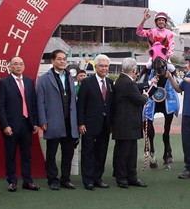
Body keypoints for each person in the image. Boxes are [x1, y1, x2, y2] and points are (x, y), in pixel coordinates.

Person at [36, 50, 79, 190]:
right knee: (51, 152)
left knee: (68, 152)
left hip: (69, 122)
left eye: (64, 59)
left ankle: (65, 179)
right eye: (59, 59)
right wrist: (42, 120)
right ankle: (52, 179)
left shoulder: (70, 77)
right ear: (52, 61)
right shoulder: (44, 79)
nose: (62, 61)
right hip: (52, 121)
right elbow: (40, 102)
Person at [0, 56, 40, 192]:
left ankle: (27, 181)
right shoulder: (4, 82)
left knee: (26, 155)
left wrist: (34, 122)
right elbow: (0, 106)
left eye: (21, 64)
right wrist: (5, 125)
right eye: (15, 64)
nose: (18, 66)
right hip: (11, 125)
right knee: (10, 155)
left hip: (27, 124)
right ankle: (12, 181)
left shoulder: (29, 81)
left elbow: (32, 103)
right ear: (10, 67)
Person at [77, 54, 113, 190]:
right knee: (88, 152)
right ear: (96, 67)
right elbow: (81, 104)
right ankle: (88, 180)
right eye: (101, 66)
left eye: (106, 66)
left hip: (105, 125)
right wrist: (81, 123)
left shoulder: (110, 82)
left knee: (102, 152)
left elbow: (111, 104)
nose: (104, 68)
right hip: (89, 124)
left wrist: (111, 124)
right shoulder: (87, 82)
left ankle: (98, 178)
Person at [111, 57, 149, 188]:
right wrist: (145, 96)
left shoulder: (120, 81)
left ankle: (130, 176)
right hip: (127, 123)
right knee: (125, 152)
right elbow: (140, 100)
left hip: (125, 123)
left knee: (128, 151)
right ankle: (123, 177)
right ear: (134, 69)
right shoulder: (128, 83)